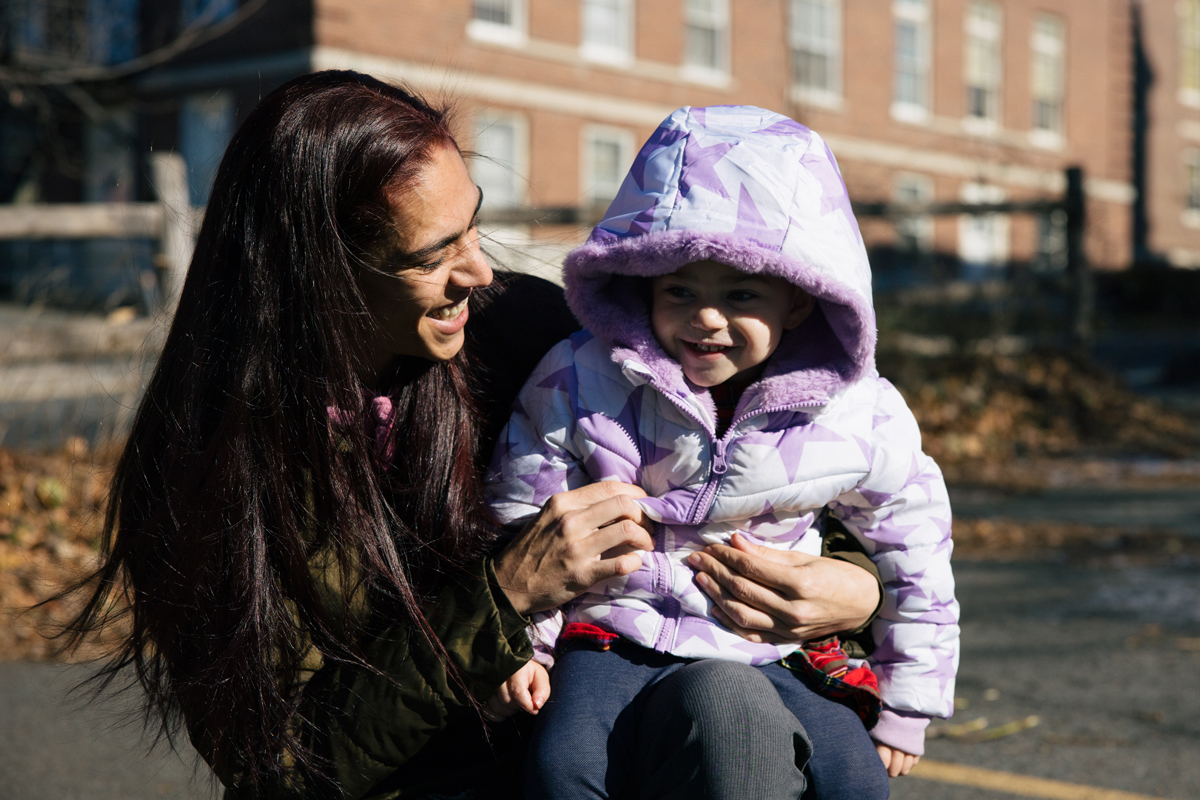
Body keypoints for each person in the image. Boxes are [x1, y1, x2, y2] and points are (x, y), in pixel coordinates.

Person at [66, 73, 884, 799]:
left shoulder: (535, 336)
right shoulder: (206, 461)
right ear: (319, 271)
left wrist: (855, 588)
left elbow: (781, 454)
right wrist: (500, 598)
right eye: (433, 254)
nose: (481, 271)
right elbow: (274, 762)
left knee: (731, 712)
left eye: (473, 228)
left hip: (601, 723)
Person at [486, 106, 960, 799]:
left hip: (774, 639)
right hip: (616, 626)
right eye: (680, 292)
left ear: (800, 302)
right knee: (565, 766)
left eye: (741, 295)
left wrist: (910, 697)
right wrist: (522, 646)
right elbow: (525, 508)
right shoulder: (582, 374)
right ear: (643, 285)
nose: (706, 318)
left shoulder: (857, 408)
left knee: (854, 780)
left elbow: (913, 538)